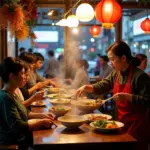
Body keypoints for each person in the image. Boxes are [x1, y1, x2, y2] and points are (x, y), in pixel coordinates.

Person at [76, 41, 150, 150]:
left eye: (112, 59)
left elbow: (148, 100)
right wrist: (88, 87)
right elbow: (104, 84)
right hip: (119, 123)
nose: (110, 62)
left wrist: (128, 97)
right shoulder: (116, 73)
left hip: (136, 127)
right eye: (109, 59)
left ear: (123, 58)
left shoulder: (140, 76)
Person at [0, 57, 53, 150]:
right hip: (13, 141)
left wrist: (42, 115)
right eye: (23, 73)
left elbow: (24, 112)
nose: (25, 77)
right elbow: (18, 127)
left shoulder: (12, 93)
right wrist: (41, 122)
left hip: (21, 139)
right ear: (12, 76)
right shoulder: (6, 98)